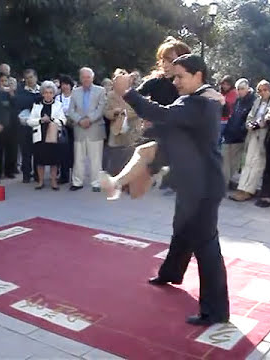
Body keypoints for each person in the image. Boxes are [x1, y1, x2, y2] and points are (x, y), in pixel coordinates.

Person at [109, 54, 229, 326]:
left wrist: (128, 92)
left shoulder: (198, 102)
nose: (175, 82)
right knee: (182, 230)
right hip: (192, 183)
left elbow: (162, 114)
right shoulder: (202, 100)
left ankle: (216, 311)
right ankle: (171, 272)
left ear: (198, 75)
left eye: (180, 76)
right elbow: (170, 124)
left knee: (207, 246)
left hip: (204, 186)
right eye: (173, 76)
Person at [137, 37, 191, 192]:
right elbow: (136, 97)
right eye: (162, 60)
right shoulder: (156, 82)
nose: (165, 65)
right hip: (159, 134)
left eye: (170, 60)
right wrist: (146, 115)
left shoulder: (192, 86)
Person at [230, 80, 270, 202]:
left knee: (257, 164)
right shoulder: (257, 101)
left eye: (265, 90)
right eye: (260, 90)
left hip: (264, 136)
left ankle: (249, 190)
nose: (262, 93)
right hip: (253, 134)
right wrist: (249, 124)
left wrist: (262, 124)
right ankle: (241, 188)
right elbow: (250, 116)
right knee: (248, 162)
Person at [68, 67, 107, 192]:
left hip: (95, 128)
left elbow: (101, 109)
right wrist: (80, 120)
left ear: (92, 78)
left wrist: (89, 119)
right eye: (83, 77)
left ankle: (96, 183)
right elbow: (70, 111)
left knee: (95, 158)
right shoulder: (75, 92)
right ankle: (77, 182)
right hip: (79, 128)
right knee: (78, 157)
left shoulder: (101, 91)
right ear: (80, 78)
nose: (86, 79)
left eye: (88, 77)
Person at [27, 81, 67, 190]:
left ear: (53, 94)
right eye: (46, 92)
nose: (48, 95)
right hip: (40, 136)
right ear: (42, 93)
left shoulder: (58, 105)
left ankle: (54, 181)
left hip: (53, 136)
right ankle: (40, 181)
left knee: (54, 161)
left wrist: (52, 119)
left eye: (50, 92)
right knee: (40, 160)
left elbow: (64, 120)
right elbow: (29, 121)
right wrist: (40, 120)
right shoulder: (37, 105)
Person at [103, 69, 143, 177]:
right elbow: (106, 112)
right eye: (116, 82)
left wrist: (124, 112)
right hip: (117, 129)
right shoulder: (110, 95)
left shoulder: (135, 93)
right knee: (116, 156)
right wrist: (114, 113)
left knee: (131, 155)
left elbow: (139, 110)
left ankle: (131, 180)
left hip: (132, 129)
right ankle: (118, 179)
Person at [221, 78, 256, 187]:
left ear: (247, 89)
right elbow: (233, 116)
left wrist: (241, 131)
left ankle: (223, 183)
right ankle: (222, 183)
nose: (239, 91)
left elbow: (249, 119)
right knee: (224, 158)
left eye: (242, 89)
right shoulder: (238, 100)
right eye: (238, 89)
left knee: (233, 162)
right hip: (230, 133)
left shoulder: (252, 101)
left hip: (240, 136)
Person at [16, 69, 42, 183]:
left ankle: (37, 175)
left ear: (36, 77)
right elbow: (21, 103)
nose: (29, 80)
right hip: (25, 125)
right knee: (26, 151)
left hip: (38, 124)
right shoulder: (21, 91)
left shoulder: (42, 90)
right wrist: (34, 101)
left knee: (38, 150)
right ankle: (26, 175)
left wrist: (33, 102)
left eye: (31, 77)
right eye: (27, 78)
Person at [0, 73, 18, 179]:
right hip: (0, 124)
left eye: (6, 81)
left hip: (12, 125)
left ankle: (10, 171)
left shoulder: (12, 93)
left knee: (11, 149)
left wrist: (12, 93)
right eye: (2, 81)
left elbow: (16, 105)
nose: (4, 83)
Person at [56, 74, 75, 184]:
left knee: (73, 151)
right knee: (63, 151)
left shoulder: (75, 96)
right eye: (63, 84)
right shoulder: (58, 98)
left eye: (67, 84)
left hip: (74, 126)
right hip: (63, 126)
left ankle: (75, 175)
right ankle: (64, 175)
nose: (65, 86)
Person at [219, 75, 238, 146]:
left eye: (227, 84)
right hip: (219, 118)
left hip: (226, 119)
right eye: (223, 84)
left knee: (219, 140)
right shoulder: (222, 92)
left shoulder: (233, 93)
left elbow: (227, 103)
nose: (225, 86)